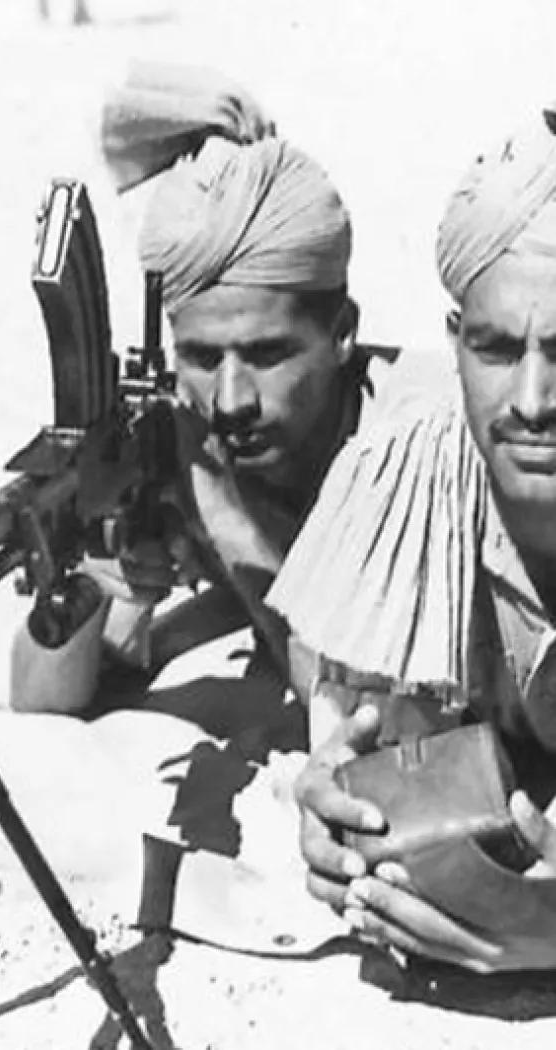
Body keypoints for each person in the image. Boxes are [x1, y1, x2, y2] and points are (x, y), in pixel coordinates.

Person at [11, 61, 396, 722]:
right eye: (200, 356)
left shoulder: (411, 446)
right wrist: (93, 590)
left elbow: (355, 700)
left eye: (268, 353)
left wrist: (222, 530)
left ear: (342, 335)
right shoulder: (178, 440)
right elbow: (40, 700)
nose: (230, 398)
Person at [267, 102, 556, 973]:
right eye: (498, 349)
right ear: (454, 343)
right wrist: (338, 813)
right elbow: (361, 748)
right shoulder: (409, 471)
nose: (534, 401)